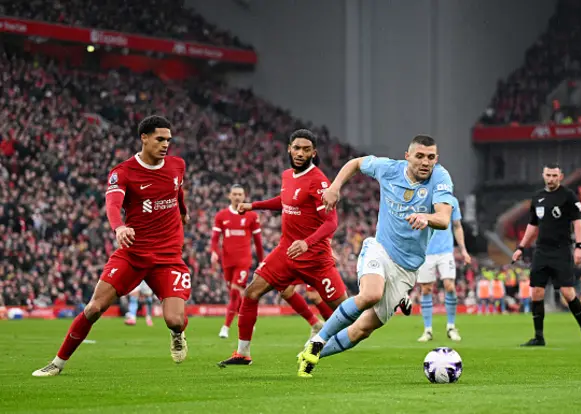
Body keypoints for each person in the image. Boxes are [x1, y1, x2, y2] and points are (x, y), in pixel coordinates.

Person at [32, 115, 191, 377]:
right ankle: (57, 363)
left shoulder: (177, 166)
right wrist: (119, 227)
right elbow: (113, 205)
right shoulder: (123, 172)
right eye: (160, 139)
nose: (166, 145)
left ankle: (177, 334)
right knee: (94, 308)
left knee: (175, 320)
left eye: (169, 140)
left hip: (168, 256)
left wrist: (183, 211)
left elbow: (178, 191)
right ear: (144, 138)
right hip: (133, 253)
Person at [297, 134, 455, 378]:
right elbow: (355, 163)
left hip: (407, 268)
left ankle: (312, 353)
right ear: (407, 156)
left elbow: (444, 219)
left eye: (431, 157)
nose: (425, 162)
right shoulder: (389, 169)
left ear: (437, 159)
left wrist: (427, 217)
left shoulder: (440, 177)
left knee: (363, 330)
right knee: (370, 294)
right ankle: (319, 339)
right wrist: (334, 187)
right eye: (420, 156)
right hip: (380, 249)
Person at [217, 129, 348, 367]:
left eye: (306, 149)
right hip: (286, 252)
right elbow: (284, 202)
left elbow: (332, 222)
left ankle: (381, 305)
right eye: (296, 148)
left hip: (315, 258)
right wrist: (253, 205)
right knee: (251, 293)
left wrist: (307, 242)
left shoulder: (319, 182)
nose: (300, 153)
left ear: (313, 152)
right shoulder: (288, 175)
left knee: (347, 309)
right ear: (289, 148)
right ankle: (242, 353)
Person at [512, 163, 581, 347]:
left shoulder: (568, 196)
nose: (551, 178)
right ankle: (539, 337)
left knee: (567, 292)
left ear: (561, 176)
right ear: (543, 175)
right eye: (548, 175)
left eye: (554, 175)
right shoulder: (538, 197)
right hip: (541, 250)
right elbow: (532, 225)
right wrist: (521, 247)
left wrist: (579, 247)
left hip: (562, 250)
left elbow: (578, 223)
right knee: (536, 292)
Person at [211, 184, 264, 339]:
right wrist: (214, 252)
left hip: (243, 261)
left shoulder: (251, 216)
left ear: (244, 196)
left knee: (235, 293)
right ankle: (249, 320)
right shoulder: (221, 216)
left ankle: (225, 327)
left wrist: (261, 261)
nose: (237, 197)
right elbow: (215, 239)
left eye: (240, 194)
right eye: (234, 194)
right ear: (229, 196)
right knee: (237, 295)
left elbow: (258, 241)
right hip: (227, 262)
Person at [416, 195, 471, 342]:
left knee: (450, 286)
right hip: (426, 251)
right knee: (426, 289)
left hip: (446, 251)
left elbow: (457, 226)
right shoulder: (422, 197)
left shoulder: (451, 200)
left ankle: (451, 326)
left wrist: (463, 250)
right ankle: (427, 330)